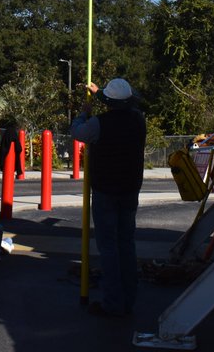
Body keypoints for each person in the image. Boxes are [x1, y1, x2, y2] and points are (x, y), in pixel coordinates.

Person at [70, 78, 146, 318]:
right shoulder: (138, 120)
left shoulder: (97, 123)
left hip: (105, 191)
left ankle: (113, 303)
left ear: (108, 102)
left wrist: (83, 113)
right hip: (130, 188)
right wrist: (101, 93)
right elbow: (133, 103)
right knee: (126, 244)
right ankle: (129, 299)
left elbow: (77, 132)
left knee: (109, 248)